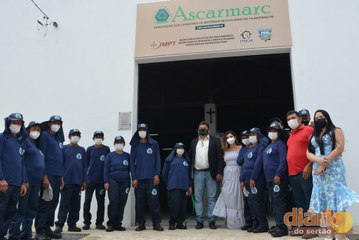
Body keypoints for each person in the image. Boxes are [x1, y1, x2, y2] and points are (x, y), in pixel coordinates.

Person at [307, 110, 359, 240]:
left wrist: (324, 163)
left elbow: (339, 148)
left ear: (327, 118)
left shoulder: (336, 130)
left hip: (334, 170)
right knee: (326, 206)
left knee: (338, 204)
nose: (319, 119)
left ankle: (340, 236)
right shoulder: (314, 134)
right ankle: (330, 235)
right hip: (318, 173)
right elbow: (308, 152)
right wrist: (318, 161)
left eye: (321, 117)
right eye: (316, 117)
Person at [8, 121, 45, 240]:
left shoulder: (37, 146)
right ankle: (14, 234)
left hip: (36, 183)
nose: (36, 132)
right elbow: (20, 160)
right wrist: (24, 180)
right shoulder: (24, 142)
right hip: (26, 182)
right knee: (21, 209)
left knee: (32, 209)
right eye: (34, 129)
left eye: (38, 130)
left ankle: (26, 234)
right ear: (28, 129)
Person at [130, 123, 164, 231]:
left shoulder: (154, 143)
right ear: (138, 131)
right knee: (139, 202)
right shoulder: (135, 145)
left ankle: (156, 223)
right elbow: (131, 163)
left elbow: (158, 159)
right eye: (140, 129)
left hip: (151, 179)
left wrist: (157, 174)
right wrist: (134, 178)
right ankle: (141, 224)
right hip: (139, 179)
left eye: (144, 129)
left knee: (154, 201)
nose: (142, 131)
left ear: (147, 131)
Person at [189, 121, 223, 230]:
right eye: (200, 128)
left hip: (211, 173)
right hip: (198, 172)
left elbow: (219, 158)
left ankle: (212, 221)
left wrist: (219, 172)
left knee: (211, 198)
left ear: (208, 130)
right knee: (198, 198)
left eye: (204, 128)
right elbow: (191, 157)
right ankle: (199, 221)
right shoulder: (194, 142)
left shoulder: (215, 141)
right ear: (197, 131)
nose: (202, 130)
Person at [286, 110, 314, 238]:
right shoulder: (291, 134)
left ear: (299, 119)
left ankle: (312, 229)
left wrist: (309, 165)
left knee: (309, 201)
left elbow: (315, 149)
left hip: (305, 172)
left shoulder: (308, 130)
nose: (290, 120)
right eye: (288, 119)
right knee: (299, 202)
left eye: (293, 118)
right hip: (293, 173)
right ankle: (303, 227)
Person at [35, 115, 65, 239]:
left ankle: (47, 228)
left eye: (58, 123)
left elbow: (60, 159)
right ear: (49, 124)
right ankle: (40, 230)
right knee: (45, 202)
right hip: (48, 174)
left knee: (54, 202)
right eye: (54, 122)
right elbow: (41, 156)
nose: (56, 125)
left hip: (58, 175)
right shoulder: (45, 135)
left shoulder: (58, 139)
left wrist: (62, 176)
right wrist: (44, 176)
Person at [0, 113, 27, 240]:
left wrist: (22, 182)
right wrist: (1, 179)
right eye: (14, 122)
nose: (16, 125)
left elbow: (21, 163)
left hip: (16, 184)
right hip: (4, 184)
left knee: (11, 212)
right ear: (8, 123)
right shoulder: (2, 138)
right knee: (1, 210)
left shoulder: (19, 142)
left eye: (19, 123)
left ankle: (2, 235)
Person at [54, 129, 86, 233]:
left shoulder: (82, 150)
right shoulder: (64, 148)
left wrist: (84, 180)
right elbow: (60, 164)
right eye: (73, 135)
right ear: (69, 136)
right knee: (64, 204)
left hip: (78, 182)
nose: (75, 137)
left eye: (77, 135)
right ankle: (59, 224)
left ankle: (72, 224)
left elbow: (84, 166)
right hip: (66, 182)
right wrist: (61, 178)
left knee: (75, 205)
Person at [213, 131, 245, 229]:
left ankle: (238, 222)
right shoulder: (224, 150)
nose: (230, 138)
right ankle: (229, 221)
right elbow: (222, 163)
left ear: (235, 137)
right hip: (227, 175)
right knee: (227, 196)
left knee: (237, 197)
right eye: (227, 137)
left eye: (231, 136)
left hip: (237, 173)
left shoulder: (241, 148)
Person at [241, 127, 269, 233]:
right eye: (250, 135)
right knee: (251, 203)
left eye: (254, 134)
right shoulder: (249, 148)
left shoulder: (260, 147)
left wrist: (253, 178)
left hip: (256, 180)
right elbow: (244, 164)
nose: (251, 137)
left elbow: (258, 164)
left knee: (257, 202)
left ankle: (263, 224)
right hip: (247, 181)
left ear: (258, 136)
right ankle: (255, 223)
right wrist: (242, 179)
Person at [263, 123, 288, 237]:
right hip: (269, 179)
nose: (272, 133)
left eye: (275, 131)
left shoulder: (280, 144)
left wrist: (278, 174)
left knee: (279, 202)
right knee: (274, 202)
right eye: (270, 130)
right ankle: (278, 225)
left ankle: (282, 228)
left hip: (277, 178)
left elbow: (283, 161)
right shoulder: (268, 146)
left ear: (278, 133)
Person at [83, 131, 110, 230]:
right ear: (93, 138)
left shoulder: (106, 149)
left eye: (100, 137)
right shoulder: (89, 149)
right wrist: (85, 179)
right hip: (90, 180)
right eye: (97, 137)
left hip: (101, 181)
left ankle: (99, 223)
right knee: (87, 202)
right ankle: (86, 222)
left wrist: (106, 180)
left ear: (103, 138)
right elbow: (85, 165)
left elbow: (107, 165)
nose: (98, 138)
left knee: (101, 203)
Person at [162, 142, 192, 230]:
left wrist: (190, 186)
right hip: (174, 187)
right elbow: (164, 173)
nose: (180, 149)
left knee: (183, 206)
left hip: (184, 187)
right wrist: (168, 183)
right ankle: (172, 223)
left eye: (182, 148)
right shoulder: (170, 160)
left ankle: (180, 223)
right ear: (175, 149)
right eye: (179, 147)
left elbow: (190, 175)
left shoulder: (186, 161)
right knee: (175, 206)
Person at [104, 136, 131, 232]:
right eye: (117, 142)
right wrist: (106, 181)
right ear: (114, 144)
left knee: (122, 202)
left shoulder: (128, 156)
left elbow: (132, 170)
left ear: (124, 144)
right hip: (112, 181)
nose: (119, 144)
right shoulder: (110, 155)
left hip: (125, 182)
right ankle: (111, 224)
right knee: (114, 201)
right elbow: (106, 169)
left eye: (121, 142)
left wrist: (134, 180)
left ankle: (118, 224)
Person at [237, 130, 253, 231]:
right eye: (242, 138)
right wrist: (241, 180)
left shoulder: (256, 147)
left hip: (255, 179)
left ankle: (255, 222)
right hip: (244, 178)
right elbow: (239, 161)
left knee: (254, 202)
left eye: (246, 137)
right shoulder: (242, 149)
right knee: (246, 202)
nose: (245, 139)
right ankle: (248, 222)